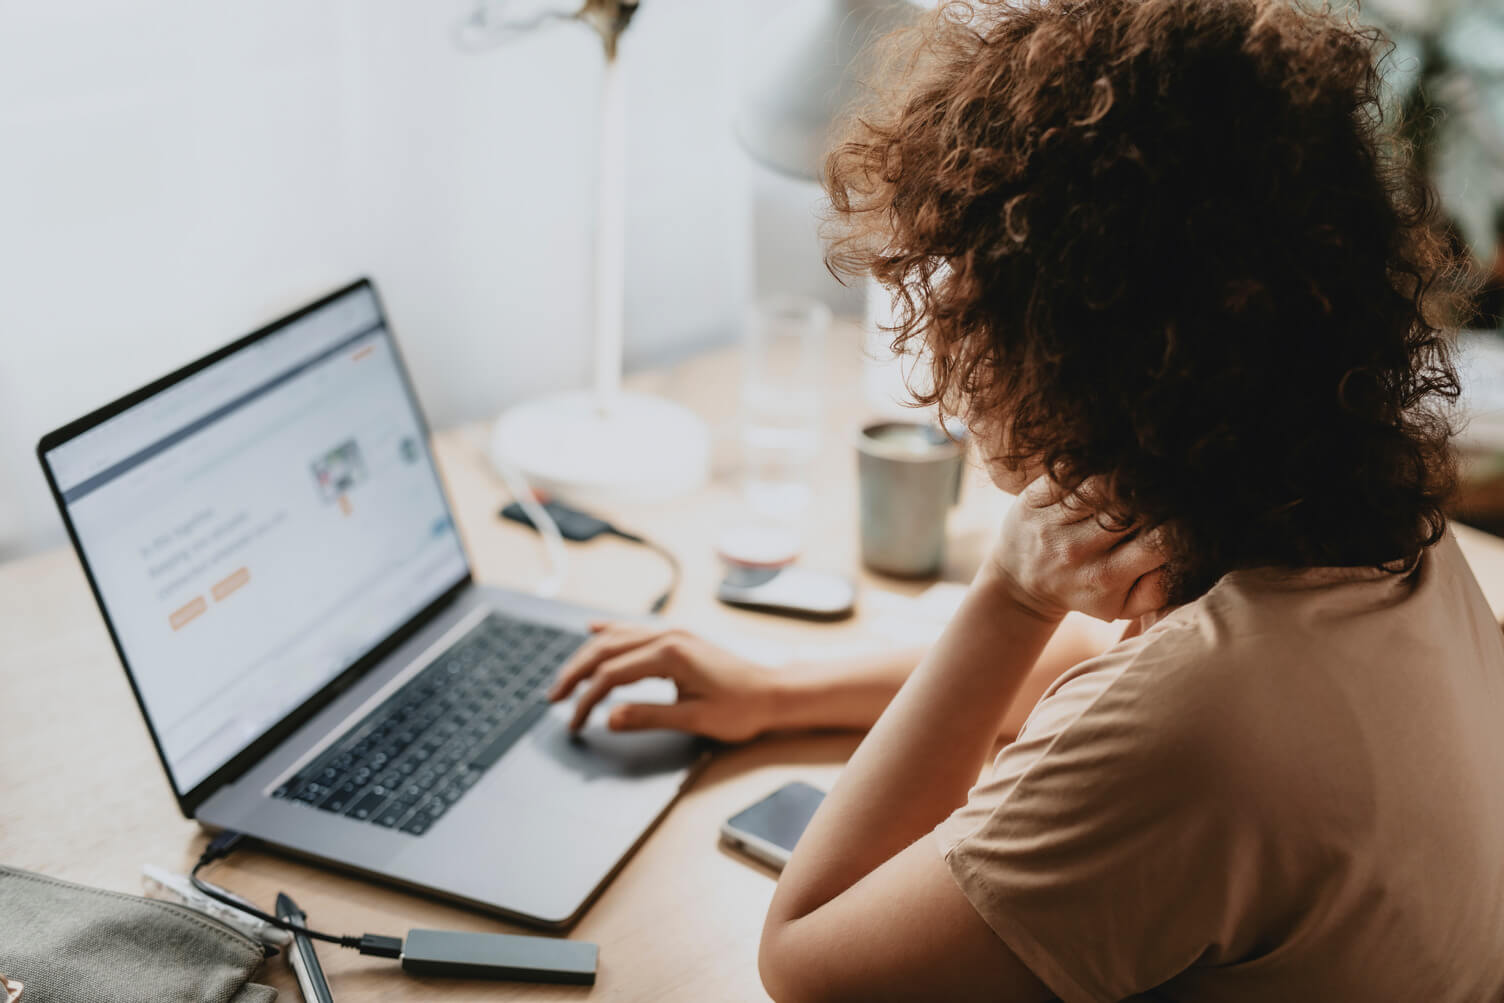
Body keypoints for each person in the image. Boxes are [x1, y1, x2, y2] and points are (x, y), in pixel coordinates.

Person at [550, 0, 1504, 998]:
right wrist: (776, 687)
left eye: (971, 280)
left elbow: (807, 960)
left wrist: (1007, 594)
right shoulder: (1388, 537)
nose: (949, 319)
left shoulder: (1193, 734)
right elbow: (1105, 650)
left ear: (1073, 333)